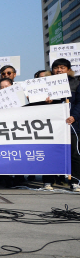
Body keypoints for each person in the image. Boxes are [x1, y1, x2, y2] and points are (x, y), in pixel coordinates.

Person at [51, 59, 80, 192]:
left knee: (74, 153)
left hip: (72, 124)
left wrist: (74, 116)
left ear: (68, 69)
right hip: (53, 125)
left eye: (62, 67)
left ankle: (75, 181)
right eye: (56, 68)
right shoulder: (46, 84)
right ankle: (49, 180)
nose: (59, 70)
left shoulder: (76, 83)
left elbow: (79, 103)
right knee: (51, 152)